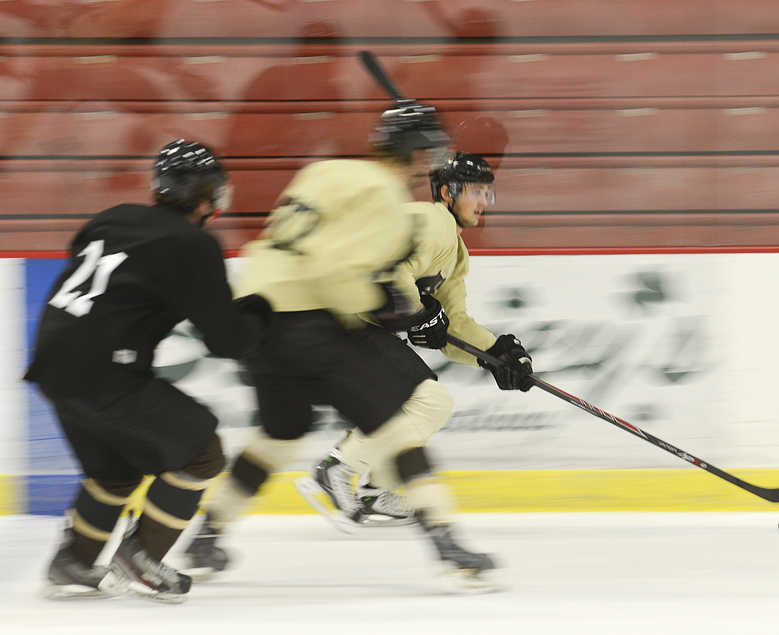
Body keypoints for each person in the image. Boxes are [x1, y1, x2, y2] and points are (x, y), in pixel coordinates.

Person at [183, 103, 504, 587]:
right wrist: (384, 300)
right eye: (428, 151)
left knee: (280, 433)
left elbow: (286, 249)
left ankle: (207, 534)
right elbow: (332, 271)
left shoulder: (324, 173)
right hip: (309, 322)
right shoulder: (383, 195)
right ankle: (446, 540)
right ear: (418, 154)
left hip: (258, 317)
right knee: (396, 428)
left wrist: (484, 346)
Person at [25, 139, 273, 602]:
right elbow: (227, 341)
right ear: (207, 198)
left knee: (114, 471)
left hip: (50, 363)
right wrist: (259, 310)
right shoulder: (193, 243)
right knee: (202, 452)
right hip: (105, 371)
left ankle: (74, 560)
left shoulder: (111, 216)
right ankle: (141, 555)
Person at [300, 152, 534, 530]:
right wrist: (421, 312)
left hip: (351, 324)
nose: (482, 202)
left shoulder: (455, 252)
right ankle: (336, 470)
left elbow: (452, 324)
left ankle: (379, 491)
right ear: (446, 193)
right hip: (336, 319)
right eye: (474, 191)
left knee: (415, 405)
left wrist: (495, 354)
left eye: (487, 194)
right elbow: (390, 272)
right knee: (429, 400)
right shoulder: (432, 221)